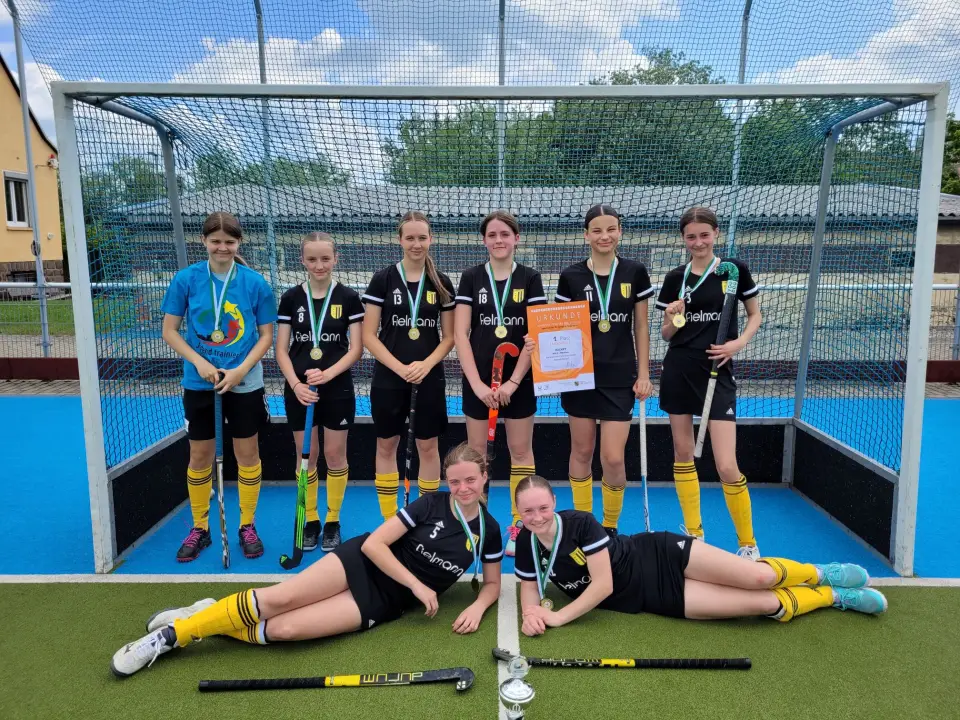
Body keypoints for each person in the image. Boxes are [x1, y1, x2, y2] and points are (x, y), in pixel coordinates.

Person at [111, 443, 504, 677]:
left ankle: (207, 614)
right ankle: (172, 637)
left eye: (470, 480)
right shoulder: (430, 503)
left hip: (387, 601)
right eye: (455, 481)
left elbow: (491, 584)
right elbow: (374, 546)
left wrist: (478, 607)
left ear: (485, 476)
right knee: (279, 599)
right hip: (363, 562)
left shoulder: (489, 530)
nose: (462, 488)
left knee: (285, 630)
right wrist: (418, 585)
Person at [512, 475, 887, 637]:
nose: (537, 517)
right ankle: (833, 597)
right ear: (518, 512)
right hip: (654, 596)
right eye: (528, 511)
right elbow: (529, 590)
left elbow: (603, 585)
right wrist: (531, 615)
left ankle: (819, 573)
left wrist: (557, 617)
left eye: (543, 507)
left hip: (658, 554)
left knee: (759, 577)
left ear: (554, 502)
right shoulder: (527, 544)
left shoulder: (580, 523)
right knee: (763, 604)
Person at [160, 211, 276, 562]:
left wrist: (240, 370)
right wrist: (200, 362)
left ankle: (247, 525)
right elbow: (169, 331)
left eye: (229, 241)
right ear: (204, 242)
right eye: (215, 241)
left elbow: (266, 336)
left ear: (239, 242)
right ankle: (200, 527)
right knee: (199, 456)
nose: (222, 247)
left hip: (244, 381)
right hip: (199, 381)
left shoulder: (256, 283)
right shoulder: (186, 279)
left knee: (247, 454)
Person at [656, 206, 763, 559]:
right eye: (691, 236)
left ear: (716, 233)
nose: (698, 242)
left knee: (726, 465)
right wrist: (672, 317)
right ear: (683, 239)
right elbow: (667, 334)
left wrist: (738, 343)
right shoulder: (675, 277)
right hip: (679, 370)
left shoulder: (733, 270)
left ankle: (747, 543)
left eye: (704, 234)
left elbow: (755, 314)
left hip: (718, 373)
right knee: (683, 452)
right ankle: (694, 533)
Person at [552, 203, 654, 536]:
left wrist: (644, 374)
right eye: (597, 230)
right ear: (586, 235)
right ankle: (583, 525)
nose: (604, 236)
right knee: (581, 451)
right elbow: (559, 329)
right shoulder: (570, 276)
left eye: (611, 229)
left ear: (620, 232)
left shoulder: (635, 271)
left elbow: (641, 326)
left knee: (612, 458)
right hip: (579, 377)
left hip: (620, 378)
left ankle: (609, 526)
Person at [455, 210, 546, 556]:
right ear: (484, 240)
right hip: (479, 381)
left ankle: (520, 526)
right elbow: (461, 335)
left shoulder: (530, 278)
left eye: (505, 234)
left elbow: (533, 336)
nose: (498, 240)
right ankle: (477, 523)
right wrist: (478, 385)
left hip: (518, 381)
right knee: (477, 454)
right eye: (492, 235)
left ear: (516, 238)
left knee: (521, 451)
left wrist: (512, 382)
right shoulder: (471, 277)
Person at [362, 211, 456, 520]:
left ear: (431, 239)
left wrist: (425, 365)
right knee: (386, 445)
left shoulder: (441, 282)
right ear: (400, 240)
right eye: (410, 238)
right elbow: (368, 335)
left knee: (428, 447)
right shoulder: (383, 279)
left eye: (422, 238)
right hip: (389, 378)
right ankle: (389, 519)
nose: (416, 244)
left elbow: (449, 337)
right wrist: (400, 368)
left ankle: (426, 516)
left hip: (429, 377)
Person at [275, 232, 364, 553]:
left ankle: (333, 521)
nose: (319, 265)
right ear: (302, 260)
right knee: (308, 456)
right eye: (312, 259)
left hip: (337, 387)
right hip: (300, 391)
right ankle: (311, 519)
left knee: (335, 455)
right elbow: (281, 349)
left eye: (325, 258)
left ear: (336, 258)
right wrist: (296, 384)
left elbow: (356, 349)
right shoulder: (290, 298)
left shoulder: (349, 297)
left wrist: (328, 374)